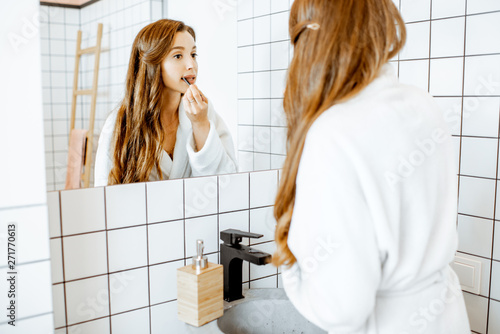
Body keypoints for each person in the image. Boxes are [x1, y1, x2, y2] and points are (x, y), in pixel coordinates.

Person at [272, 0, 470, 333]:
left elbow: (341, 310)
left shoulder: (333, 132)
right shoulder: (422, 104)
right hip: (446, 317)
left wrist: (291, 273)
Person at [94, 19, 237, 186]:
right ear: (153, 64)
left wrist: (200, 124)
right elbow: (104, 193)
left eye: (193, 54)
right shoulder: (121, 123)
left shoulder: (202, 111)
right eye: (178, 56)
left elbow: (226, 181)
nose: (192, 65)